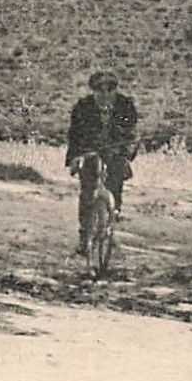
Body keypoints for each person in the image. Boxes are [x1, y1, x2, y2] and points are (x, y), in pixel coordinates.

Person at [66, 70, 139, 253]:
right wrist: (75, 157)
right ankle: (84, 237)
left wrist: (129, 149)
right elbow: (74, 134)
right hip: (89, 152)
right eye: (100, 90)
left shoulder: (125, 106)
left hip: (115, 151)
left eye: (110, 90)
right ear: (93, 91)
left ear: (115, 91)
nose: (105, 95)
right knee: (87, 193)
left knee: (115, 189)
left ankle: (110, 230)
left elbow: (132, 131)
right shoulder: (83, 107)